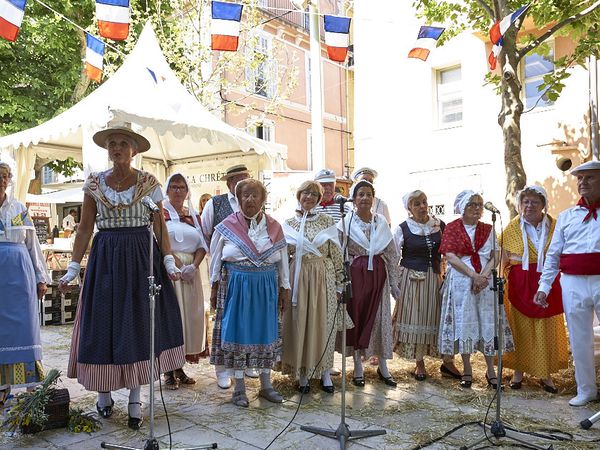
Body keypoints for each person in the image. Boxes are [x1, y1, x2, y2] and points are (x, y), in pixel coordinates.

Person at [59, 123, 185, 430]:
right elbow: (85, 228)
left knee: (138, 326)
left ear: (135, 150)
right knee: (103, 322)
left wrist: (168, 260)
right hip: (106, 257)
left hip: (142, 257)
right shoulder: (94, 184)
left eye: (122, 144)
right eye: (111, 144)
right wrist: (74, 266)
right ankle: (103, 394)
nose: (116, 148)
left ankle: (134, 396)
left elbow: (160, 226)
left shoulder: (148, 183)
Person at [209, 179, 290, 407]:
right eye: (245, 195)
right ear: (238, 199)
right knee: (237, 334)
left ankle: (266, 385)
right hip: (237, 286)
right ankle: (239, 389)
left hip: (266, 288)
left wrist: (285, 287)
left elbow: (283, 260)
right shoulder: (226, 226)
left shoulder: (274, 227)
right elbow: (216, 259)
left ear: (263, 200)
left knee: (265, 333)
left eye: (255, 195)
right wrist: (214, 287)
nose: (250, 199)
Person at [534, 161, 600, 407]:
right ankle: (586, 390)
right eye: (579, 179)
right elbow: (553, 255)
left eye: (589, 178)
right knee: (579, 338)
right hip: (572, 283)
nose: (582, 183)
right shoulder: (566, 217)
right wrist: (544, 287)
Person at [438, 190, 514, 389]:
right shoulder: (453, 228)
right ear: (462, 207)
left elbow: (495, 255)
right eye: (472, 204)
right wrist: (474, 275)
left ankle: (491, 370)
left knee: (487, 321)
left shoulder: (488, 228)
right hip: (462, 280)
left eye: (479, 204)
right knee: (464, 322)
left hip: (485, 280)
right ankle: (467, 369)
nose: (477, 208)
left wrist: (484, 276)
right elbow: (450, 256)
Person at [281, 180, 350, 394]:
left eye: (313, 194)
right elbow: (284, 256)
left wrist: (340, 284)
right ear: (299, 196)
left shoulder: (328, 221)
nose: (309, 197)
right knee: (300, 323)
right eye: (305, 193)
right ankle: (303, 374)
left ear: (319, 198)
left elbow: (336, 253)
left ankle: (325, 372)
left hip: (324, 277)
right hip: (299, 277)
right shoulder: (289, 223)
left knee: (323, 323)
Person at [501, 186, 568, 393]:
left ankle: (544, 374)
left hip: (547, 281)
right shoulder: (512, 227)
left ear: (543, 205)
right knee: (520, 328)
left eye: (534, 202)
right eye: (525, 202)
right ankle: (518, 371)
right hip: (520, 282)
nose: (529, 206)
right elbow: (503, 258)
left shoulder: (555, 226)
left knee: (545, 327)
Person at [337, 180, 401, 387]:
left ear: (374, 199)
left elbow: (391, 254)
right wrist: (340, 282)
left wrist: (394, 282)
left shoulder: (380, 223)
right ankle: (357, 366)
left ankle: (383, 365)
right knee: (358, 317)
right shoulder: (345, 223)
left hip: (378, 275)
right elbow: (339, 254)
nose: (364, 198)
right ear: (354, 199)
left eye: (368, 194)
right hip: (356, 275)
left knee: (379, 318)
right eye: (360, 194)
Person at [392, 190, 461, 381]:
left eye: (424, 202)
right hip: (411, 279)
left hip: (435, 277)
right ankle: (419, 363)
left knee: (440, 318)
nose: (422, 206)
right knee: (417, 319)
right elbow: (394, 256)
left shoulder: (439, 225)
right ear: (409, 209)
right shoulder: (403, 228)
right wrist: (395, 282)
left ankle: (447, 362)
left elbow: (449, 252)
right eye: (417, 204)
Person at [201, 164, 258, 387]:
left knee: (247, 319)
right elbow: (206, 233)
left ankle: (245, 363)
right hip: (225, 271)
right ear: (229, 183)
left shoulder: (253, 202)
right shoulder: (215, 204)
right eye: (238, 180)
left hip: (249, 273)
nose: (242, 184)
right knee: (224, 321)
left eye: (246, 179)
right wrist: (217, 260)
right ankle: (222, 369)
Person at [0, 162, 50, 407]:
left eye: (4, 176)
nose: (0, 180)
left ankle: (32, 388)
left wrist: (41, 277)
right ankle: (2, 388)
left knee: (25, 327)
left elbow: (32, 243)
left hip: (20, 275)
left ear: (9, 180)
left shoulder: (19, 208)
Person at [163, 173, 210, 389]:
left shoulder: (193, 215)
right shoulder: (160, 213)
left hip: (191, 272)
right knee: (172, 317)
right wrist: (180, 267)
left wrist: (193, 266)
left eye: (182, 187)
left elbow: (202, 245)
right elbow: (159, 242)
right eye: (173, 186)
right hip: (170, 270)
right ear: (167, 190)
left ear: (187, 190)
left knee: (188, 319)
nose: (178, 190)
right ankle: (168, 371)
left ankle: (180, 366)